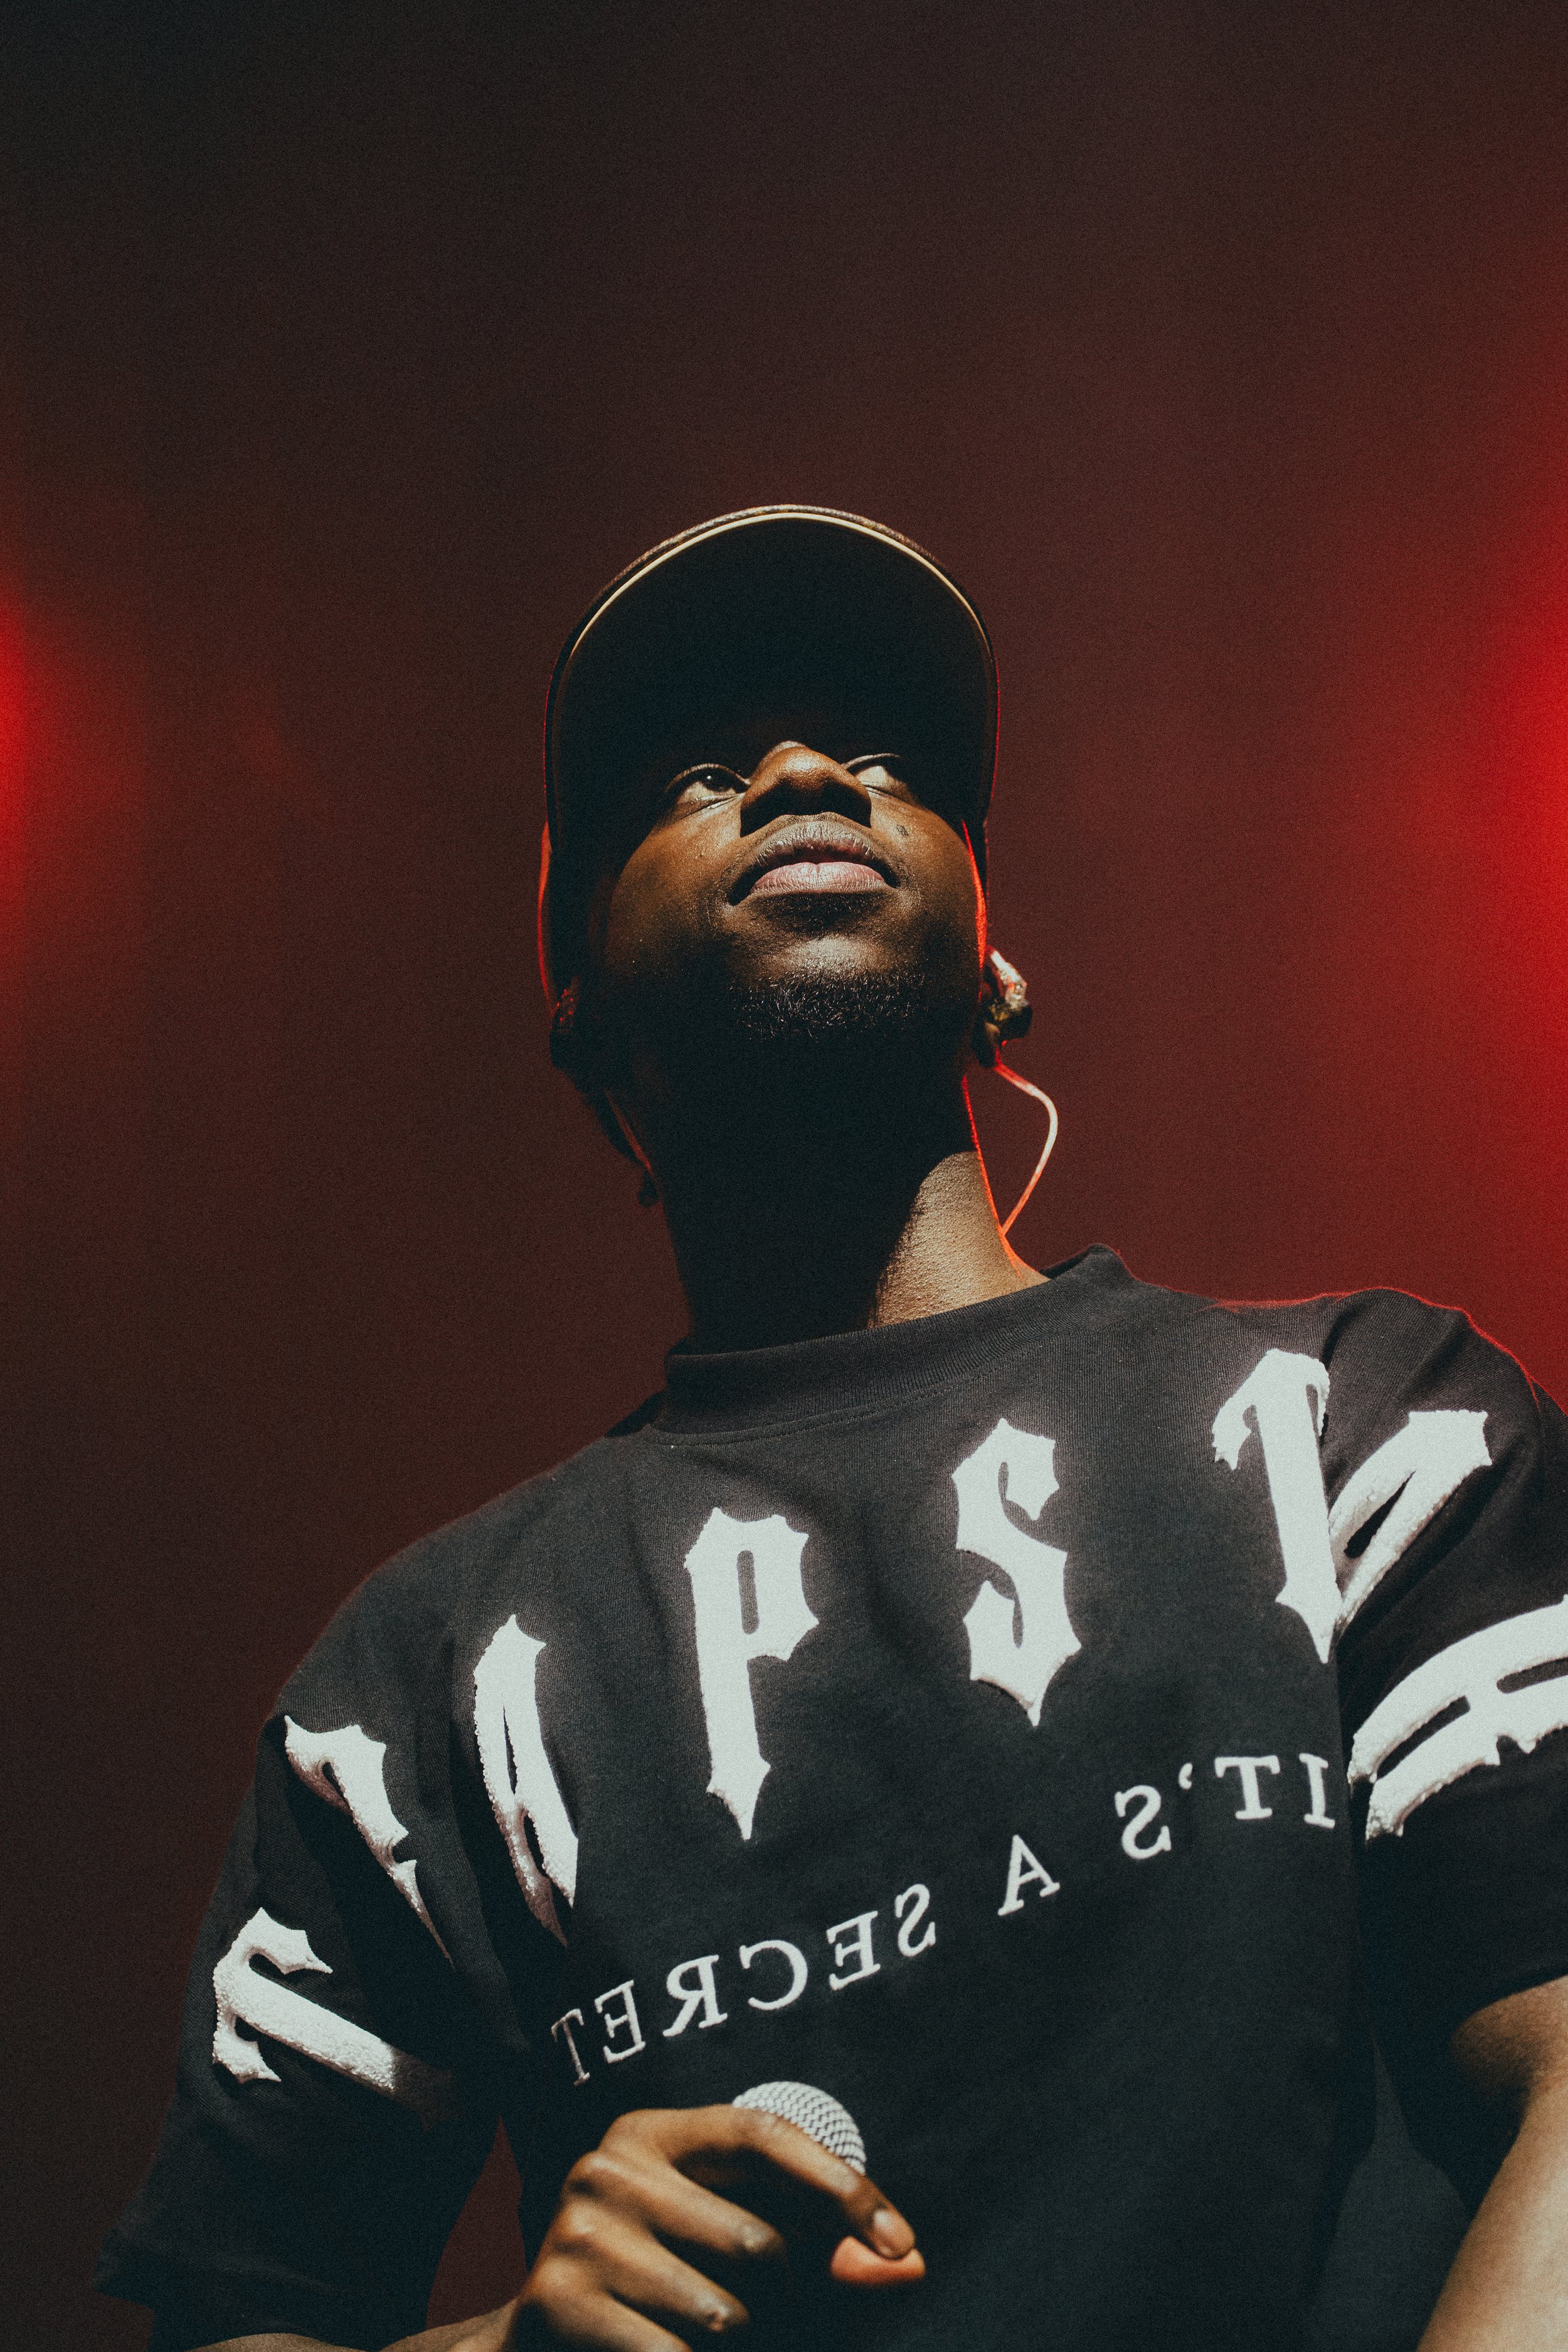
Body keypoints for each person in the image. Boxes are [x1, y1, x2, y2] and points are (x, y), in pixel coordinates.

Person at [98, 507, 1568, 2352]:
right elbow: (246, 2317)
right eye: (697, 772)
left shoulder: (1365, 1424)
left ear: (993, 960)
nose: (804, 773)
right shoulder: (408, 1686)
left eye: (883, 761)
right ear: (574, 1000)